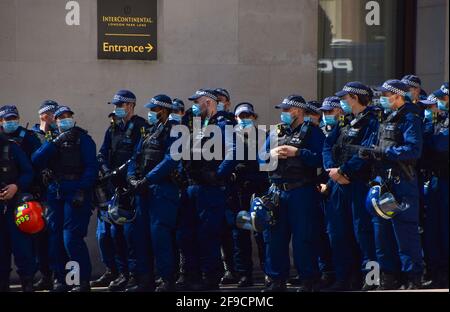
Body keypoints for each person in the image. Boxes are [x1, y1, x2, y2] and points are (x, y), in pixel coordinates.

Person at [362, 79, 424, 290]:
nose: (382, 98)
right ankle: (388, 276)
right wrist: (369, 151)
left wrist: (386, 152)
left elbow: (413, 150)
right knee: (382, 231)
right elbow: (378, 144)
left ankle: (413, 277)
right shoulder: (385, 117)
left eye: (386, 95)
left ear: (398, 96)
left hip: (401, 182)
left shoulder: (410, 116)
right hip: (383, 181)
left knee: (404, 231)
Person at [261, 95, 325, 292]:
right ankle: (276, 280)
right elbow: (261, 159)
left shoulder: (313, 132)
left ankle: (308, 280)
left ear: (297, 111)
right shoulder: (276, 132)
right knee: (274, 238)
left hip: (301, 191)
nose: (284, 113)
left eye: (287, 110)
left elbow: (321, 159)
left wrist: (297, 152)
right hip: (277, 191)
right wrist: (271, 154)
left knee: (303, 238)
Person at [32, 106, 98, 292]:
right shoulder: (53, 140)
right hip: (56, 192)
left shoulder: (83, 139)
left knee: (71, 238)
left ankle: (80, 281)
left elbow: (91, 167)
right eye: (61, 117)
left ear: (73, 118)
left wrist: (82, 190)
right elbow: (36, 159)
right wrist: (55, 142)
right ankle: (62, 279)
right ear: (56, 120)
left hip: (76, 191)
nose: (64, 120)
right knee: (55, 238)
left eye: (68, 116)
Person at [177, 89, 236, 291]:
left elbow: (232, 152)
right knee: (187, 234)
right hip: (192, 186)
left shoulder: (223, 123)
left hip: (210, 188)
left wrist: (219, 175)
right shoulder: (197, 124)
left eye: (198, 102)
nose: (195, 105)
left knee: (207, 235)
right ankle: (192, 275)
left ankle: (210, 278)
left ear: (209, 103)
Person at [322, 82, 378, 291]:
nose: (342, 102)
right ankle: (344, 278)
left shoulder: (372, 122)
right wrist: (332, 171)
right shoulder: (344, 121)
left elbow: (366, 152)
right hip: (338, 183)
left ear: (355, 98)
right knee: (337, 233)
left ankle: (370, 279)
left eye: (345, 98)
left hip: (359, 184)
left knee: (363, 233)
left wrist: (344, 171)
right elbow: (328, 146)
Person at [126, 94, 181, 292]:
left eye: (153, 110)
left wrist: (147, 179)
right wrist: (132, 178)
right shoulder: (148, 131)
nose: (150, 113)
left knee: (160, 236)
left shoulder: (176, 132)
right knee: (140, 237)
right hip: (143, 190)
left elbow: (170, 160)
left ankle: (166, 279)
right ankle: (145, 280)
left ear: (163, 111)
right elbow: (135, 157)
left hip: (163, 190)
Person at [93, 90, 147, 291]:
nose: (116, 109)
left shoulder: (141, 127)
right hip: (112, 187)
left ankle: (134, 275)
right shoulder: (113, 127)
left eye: (120, 105)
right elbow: (102, 152)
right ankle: (119, 272)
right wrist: (107, 170)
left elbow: (138, 155)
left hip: (130, 187)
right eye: (115, 106)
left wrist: (121, 171)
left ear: (131, 106)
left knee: (129, 235)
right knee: (110, 234)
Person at [228, 102, 269, 287]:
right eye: (241, 116)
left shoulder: (264, 136)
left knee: (263, 234)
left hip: (260, 192)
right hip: (239, 193)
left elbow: (269, 164)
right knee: (240, 236)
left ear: (254, 117)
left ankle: (269, 272)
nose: (244, 119)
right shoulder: (229, 138)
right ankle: (244, 274)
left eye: (248, 116)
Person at [30, 100, 60, 291]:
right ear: (42, 115)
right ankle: (45, 275)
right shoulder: (31, 136)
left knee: (55, 237)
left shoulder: (61, 135)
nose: (54, 116)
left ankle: (58, 275)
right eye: (51, 112)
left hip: (55, 193)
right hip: (37, 193)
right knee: (39, 238)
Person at [0, 132, 36, 292]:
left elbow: (29, 172)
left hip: (16, 207)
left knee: (22, 248)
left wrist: (16, 186)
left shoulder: (11, 147)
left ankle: (27, 282)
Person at [421, 84, 449, 289]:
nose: (438, 104)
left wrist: (428, 131)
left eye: (442, 99)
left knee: (445, 228)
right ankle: (435, 271)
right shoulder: (439, 120)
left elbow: (440, 145)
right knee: (433, 229)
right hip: (436, 179)